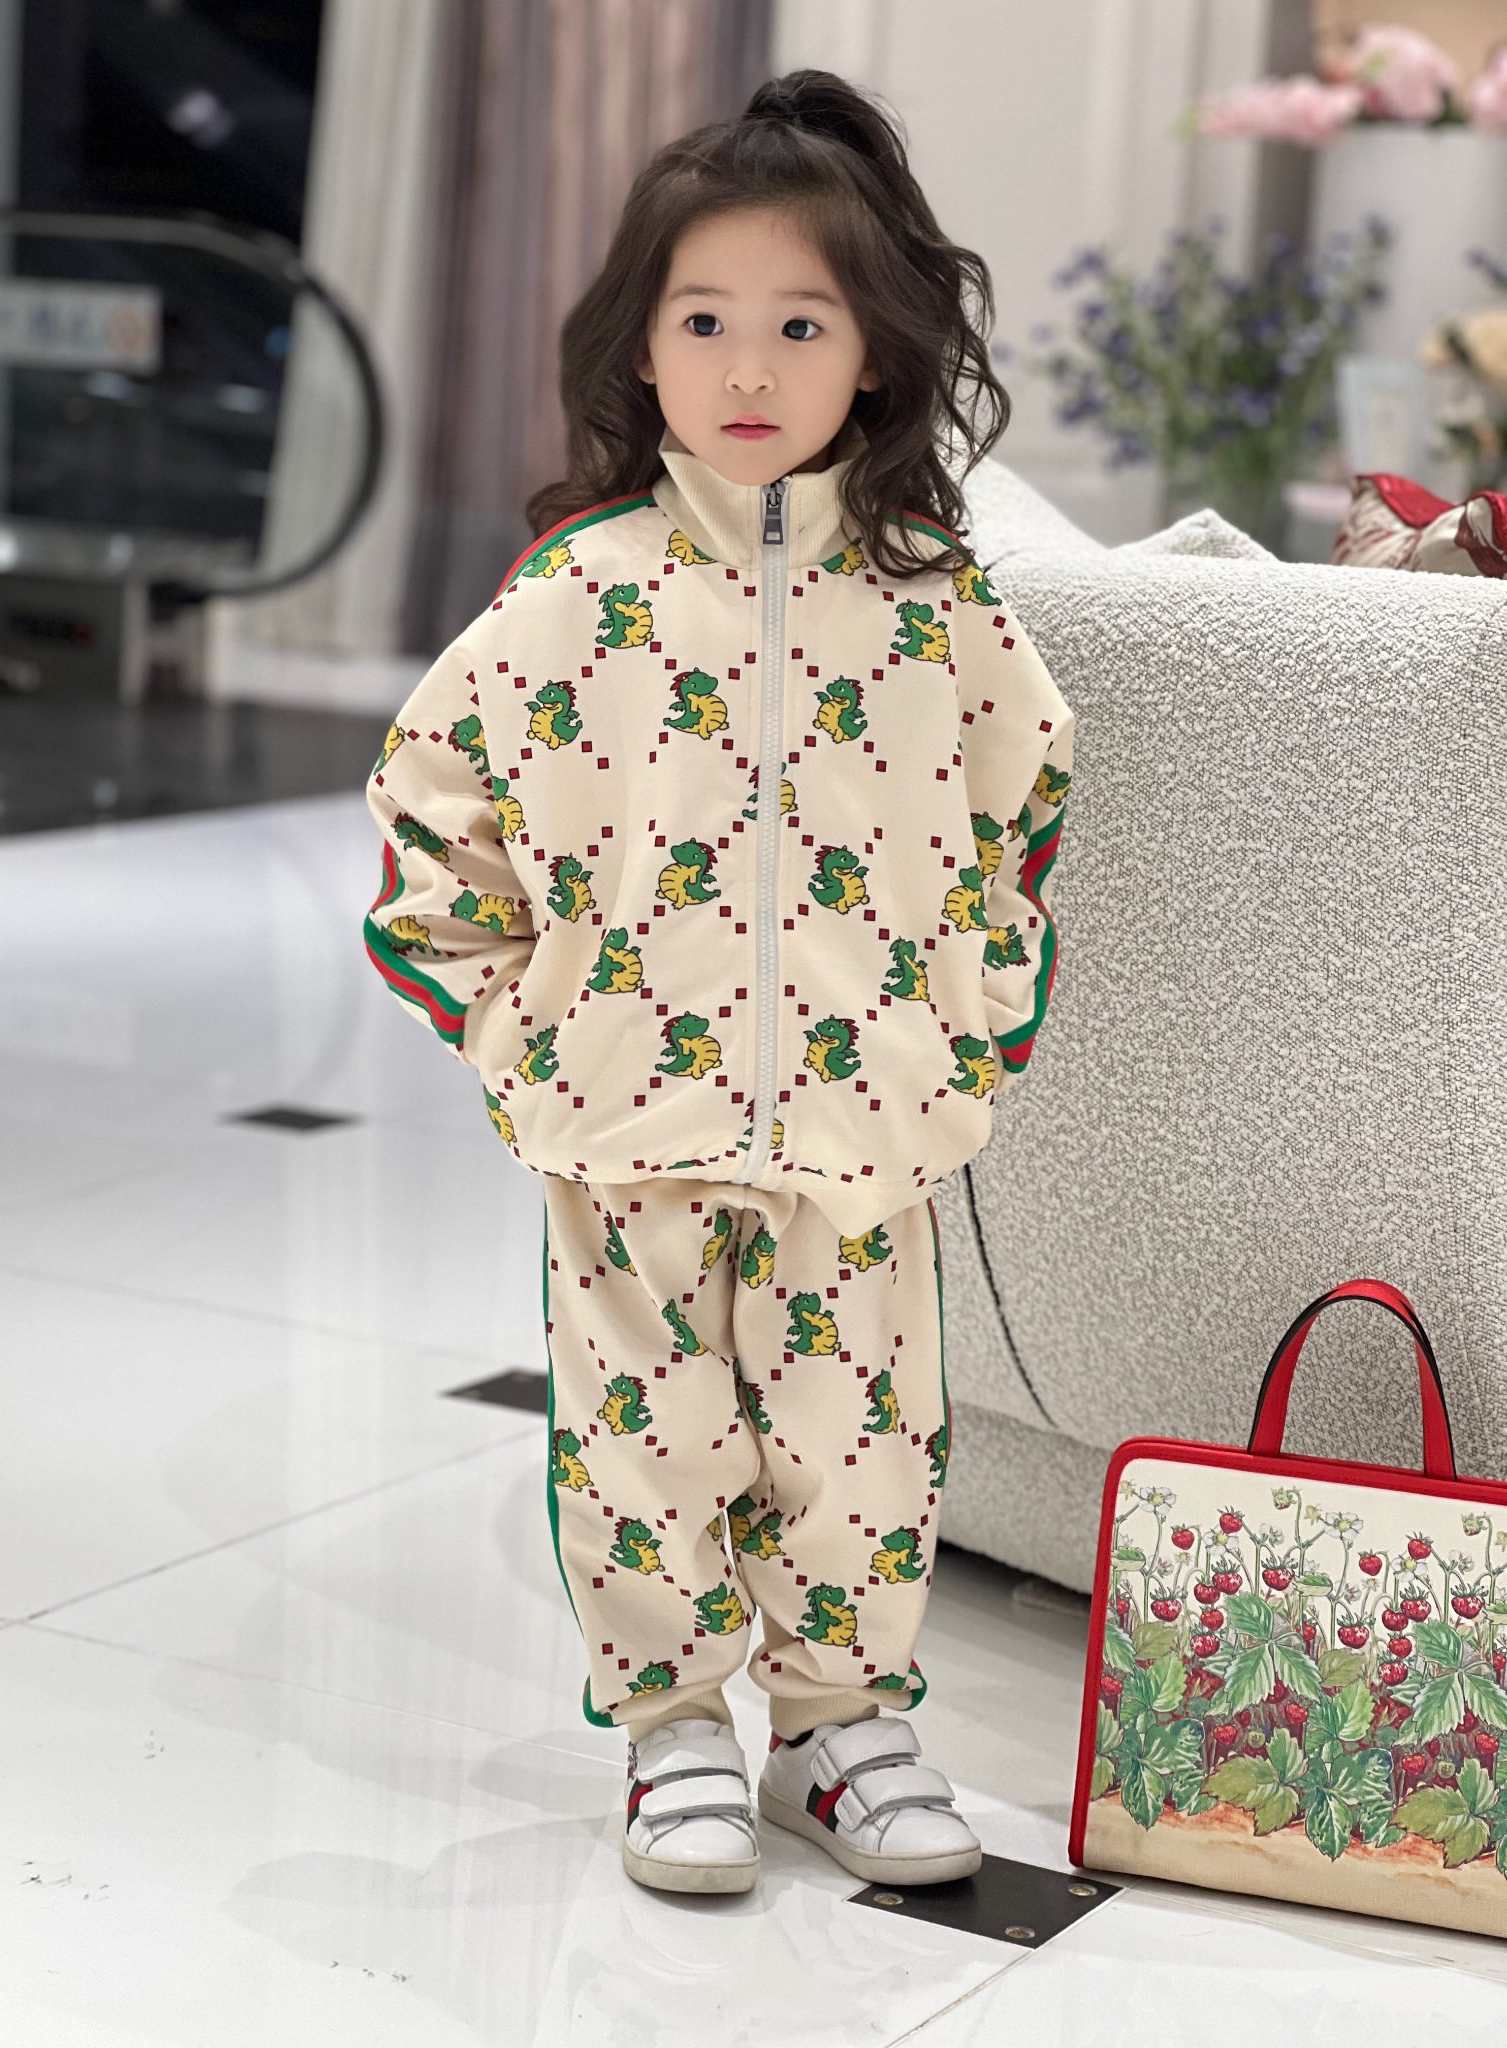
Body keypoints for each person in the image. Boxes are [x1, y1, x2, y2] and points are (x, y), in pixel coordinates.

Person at [362, 68, 1075, 1898]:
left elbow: (1022, 817)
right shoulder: (568, 600)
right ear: (642, 345)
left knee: (861, 1438)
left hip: (864, 1126)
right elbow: (431, 817)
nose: (749, 365)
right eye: (704, 320)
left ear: (874, 355)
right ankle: (675, 1730)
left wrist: (960, 1030)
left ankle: (840, 1727)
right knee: (644, 1439)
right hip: (626, 1125)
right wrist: (521, 1025)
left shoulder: (938, 608)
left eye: (800, 324)